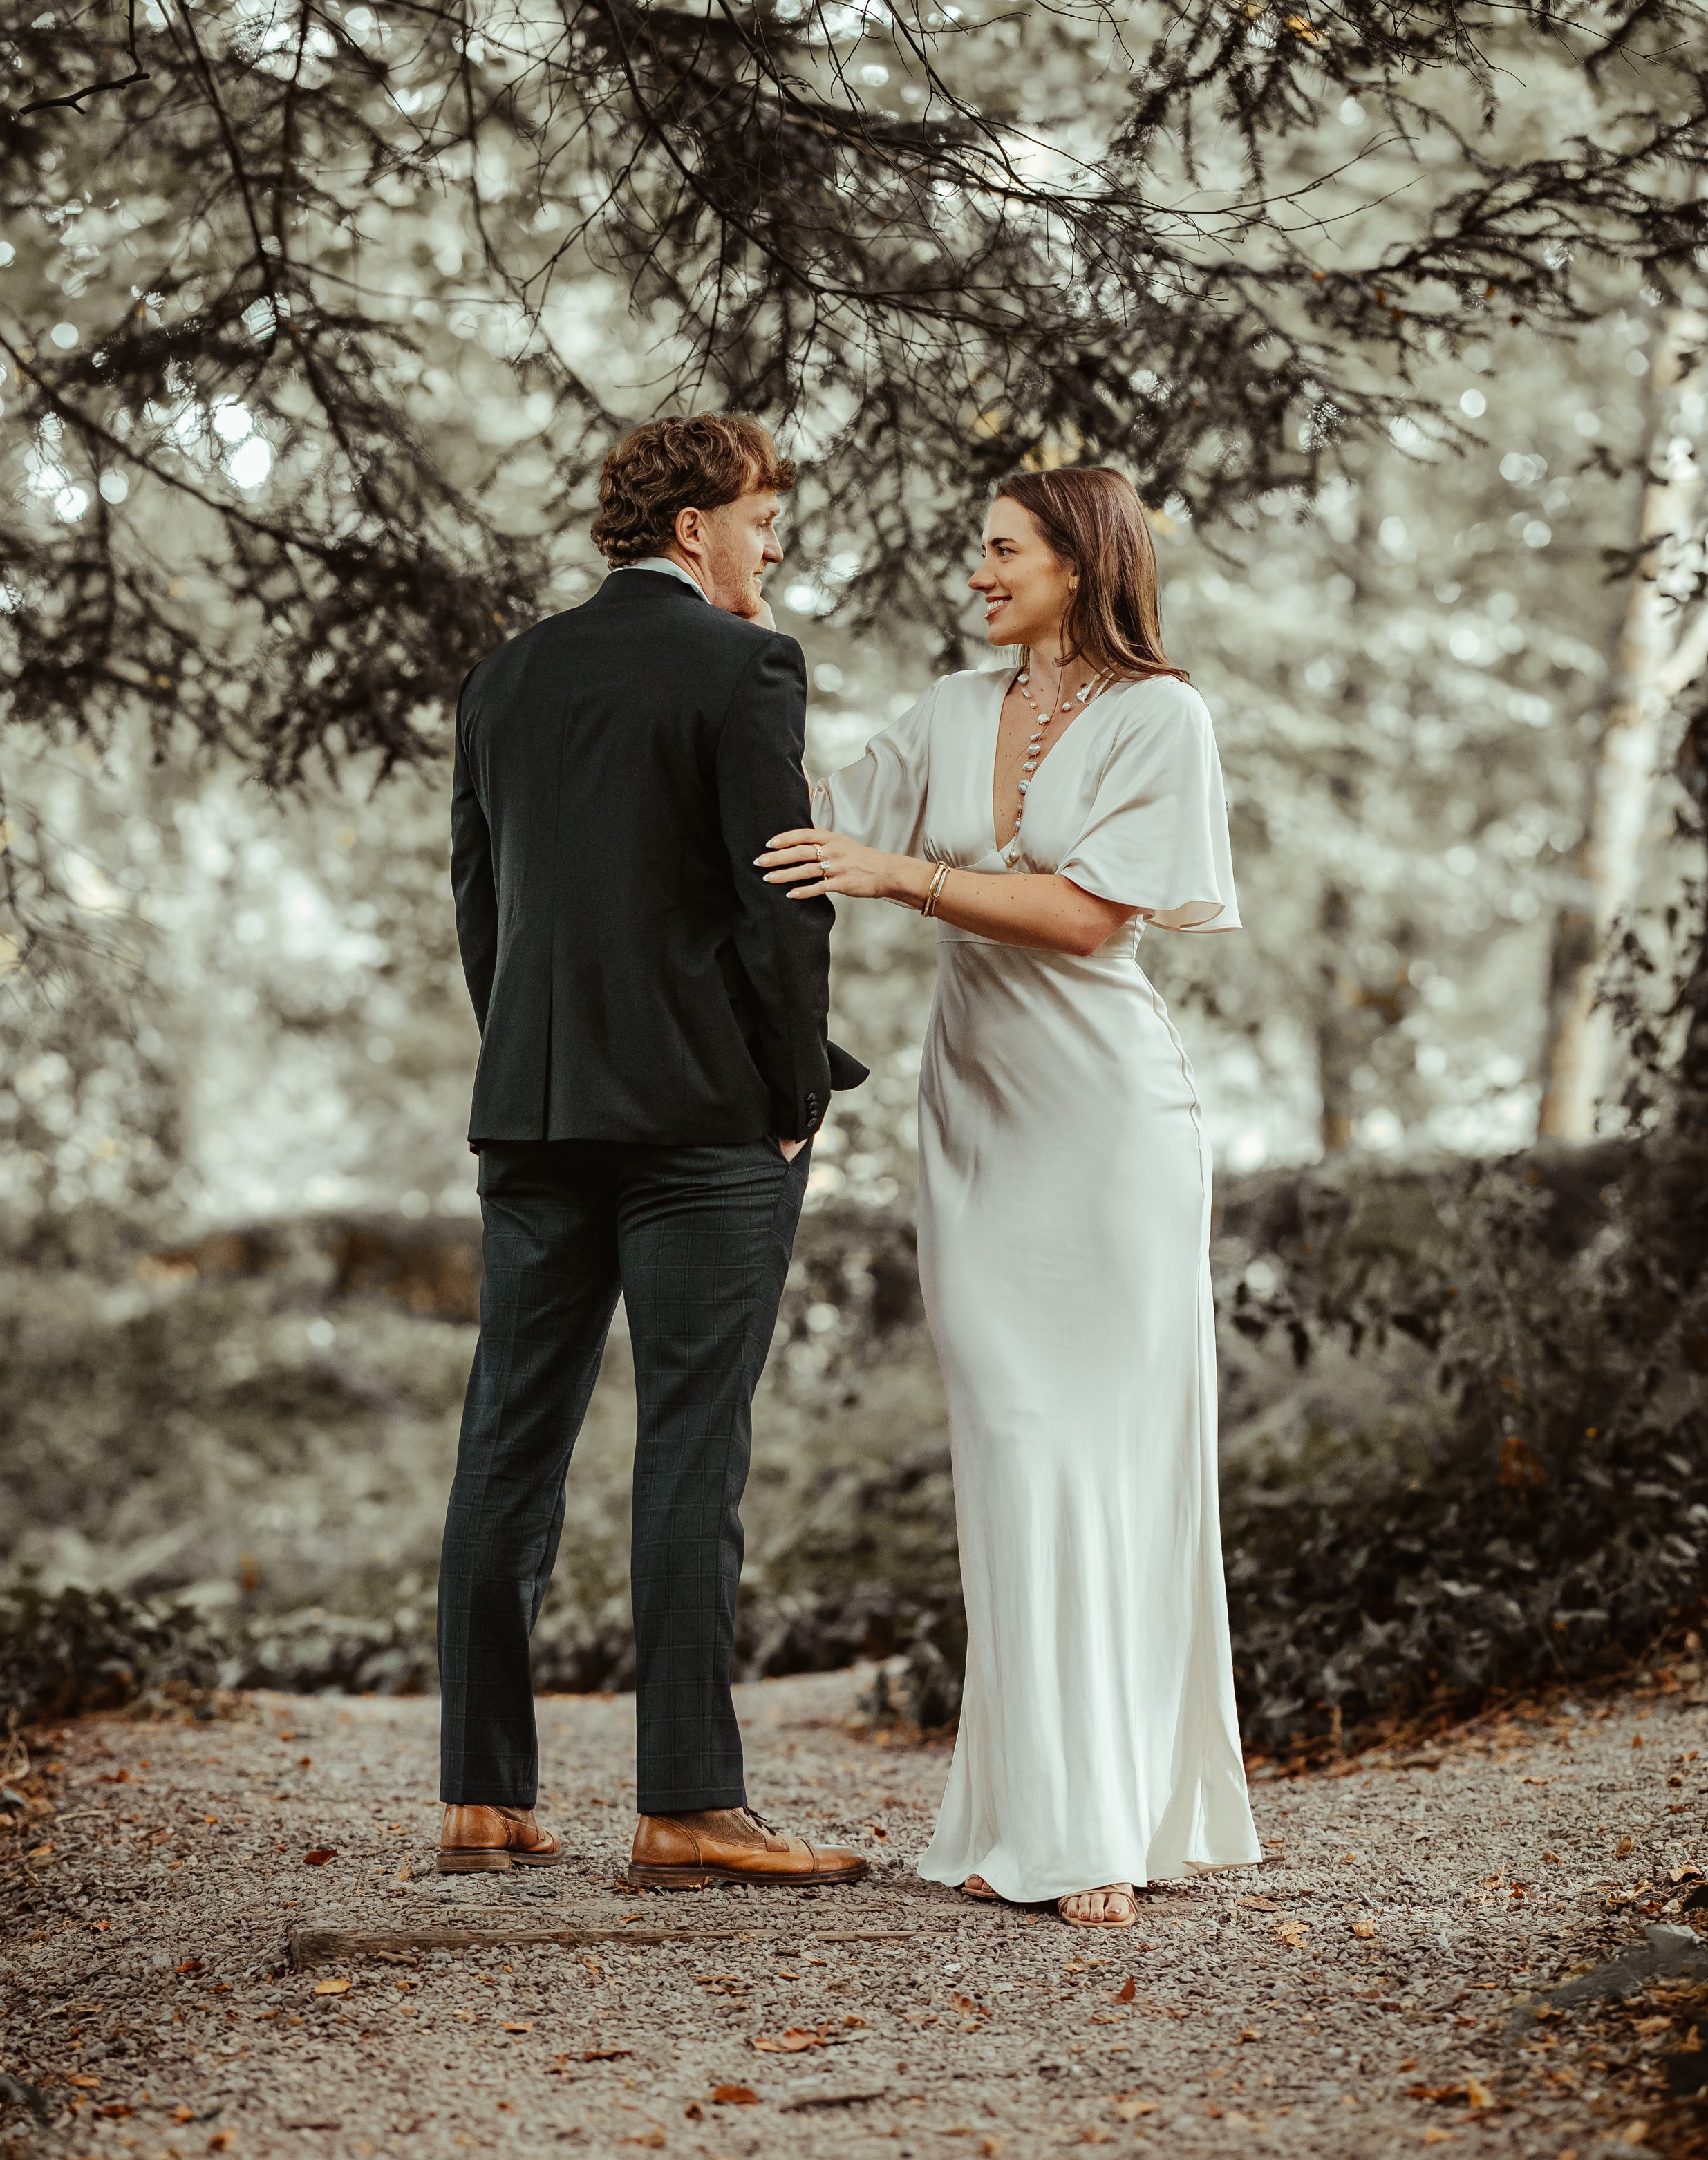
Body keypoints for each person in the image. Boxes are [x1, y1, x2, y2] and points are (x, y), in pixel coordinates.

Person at [757, 467, 1260, 1927]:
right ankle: (1030, 1809)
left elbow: (1085, 912)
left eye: (998, 550)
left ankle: (1096, 1823)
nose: (974, 571)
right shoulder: (939, 712)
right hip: (973, 1116)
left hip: (1107, 1121)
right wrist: (714, 656)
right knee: (1011, 1440)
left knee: (1100, 1447)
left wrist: (900, 879)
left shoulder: (1162, 715)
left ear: (1072, 561)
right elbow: (797, 826)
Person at [439, 413, 870, 1890]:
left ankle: (481, 1799)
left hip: (534, 1110)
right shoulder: (745, 666)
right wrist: (793, 1088)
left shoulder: (502, 676)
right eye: (762, 518)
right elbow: (779, 903)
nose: (771, 545)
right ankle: (686, 1801)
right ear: (696, 526)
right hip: (701, 1120)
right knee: (691, 1438)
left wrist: (532, 1062)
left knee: (508, 1436)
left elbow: (481, 914)